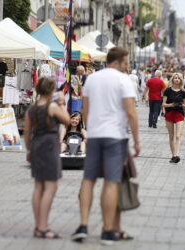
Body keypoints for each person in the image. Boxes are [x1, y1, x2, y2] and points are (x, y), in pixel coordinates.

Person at [72, 47, 140, 245]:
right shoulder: (123, 80)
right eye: (126, 63)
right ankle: (107, 230)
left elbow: (85, 110)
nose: (127, 66)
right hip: (115, 136)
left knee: (88, 179)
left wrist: (91, 130)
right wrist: (136, 140)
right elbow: (131, 113)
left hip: (94, 136)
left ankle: (83, 225)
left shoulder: (92, 78)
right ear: (118, 62)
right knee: (111, 181)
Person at [24, 77, 70, 239]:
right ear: (51, 90)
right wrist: (62, 104)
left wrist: (29, 151)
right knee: (50, 187)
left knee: (38, 187)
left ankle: (38, 226)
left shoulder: (32, 108)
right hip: (49, 146)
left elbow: (27, 133)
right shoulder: (52, 107)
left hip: (36, 145)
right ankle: (43, 227)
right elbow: (67, 120)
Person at [163, 73, 185, 163]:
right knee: (171, 136)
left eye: (179, 78)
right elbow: (163, 104)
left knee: (178, 136)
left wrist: (183, 105)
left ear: (181, 80)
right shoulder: (167, 91)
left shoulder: (183, 91)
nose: (177, 79)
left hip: (179, 113)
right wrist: (171, 104)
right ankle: (173, 155)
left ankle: (177, 155)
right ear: (172, 79)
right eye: (175, 78)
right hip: (169, 113)